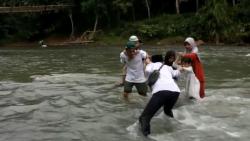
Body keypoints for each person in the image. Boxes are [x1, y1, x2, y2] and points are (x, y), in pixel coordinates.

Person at [139, 50, 182, 136]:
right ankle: (174, 128)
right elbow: (177, 73)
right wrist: (179, 68)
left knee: (144, 118)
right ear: (161, 60)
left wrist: (147, 64)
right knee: (167, 110)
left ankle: (145, 137)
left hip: (161, 92)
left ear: (152, 60)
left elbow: (147, 72)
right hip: (175, 92)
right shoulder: (168, 67)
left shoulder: (151, 65)